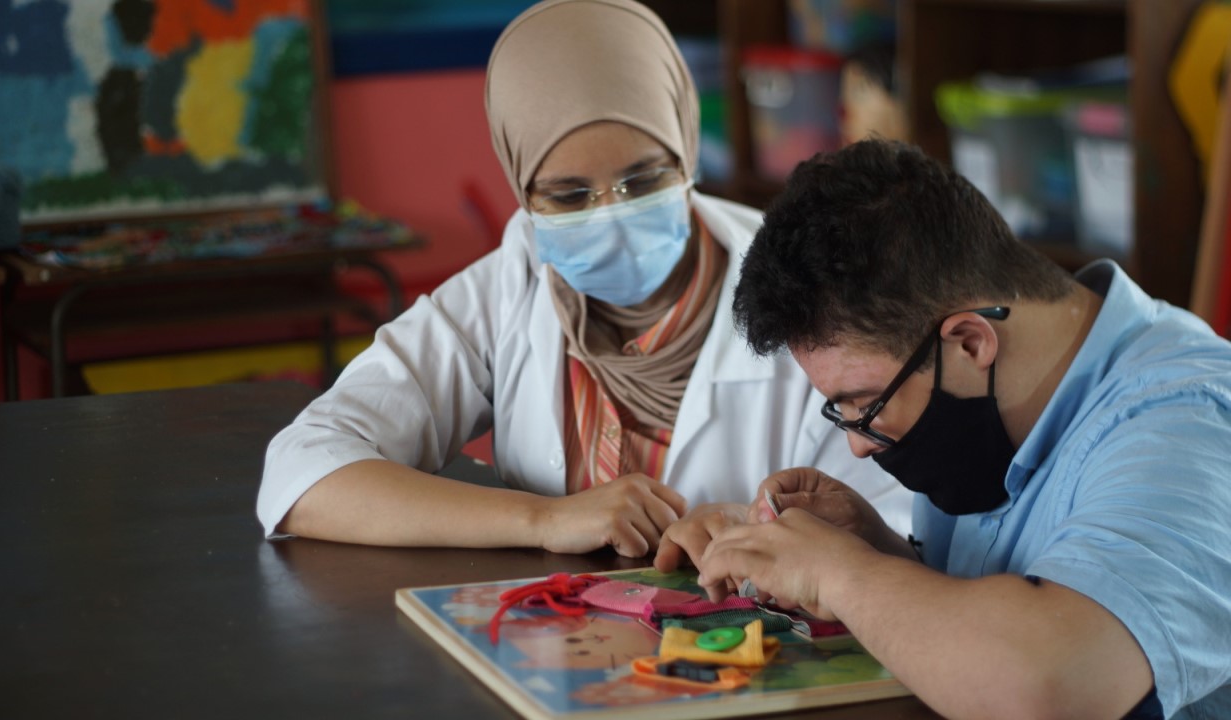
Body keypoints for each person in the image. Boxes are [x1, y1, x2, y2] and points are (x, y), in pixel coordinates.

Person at [256, 0, 910, 558]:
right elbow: (302, 472)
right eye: (568, 197)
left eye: (645, 180)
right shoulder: (512, 283)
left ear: (686, 151)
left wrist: (758, 532)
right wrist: (544, 519)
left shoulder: (812, 286)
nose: (612, 215)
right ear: (522, 190)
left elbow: (904, 527)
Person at [686, 138, 1231, 719]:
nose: (857, 444)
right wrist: (881, 551)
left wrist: (841, 573)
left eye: (865, 404)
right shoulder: (991, 413)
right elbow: (1009, 612)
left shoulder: (1190, 421)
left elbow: (1050, 686)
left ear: (970, 342)